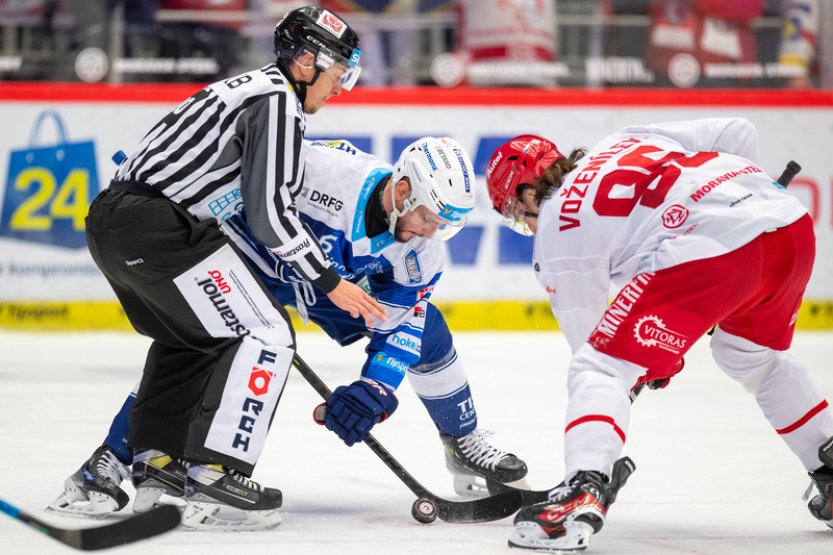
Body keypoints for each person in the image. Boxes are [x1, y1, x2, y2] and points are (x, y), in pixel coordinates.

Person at [48, 137, 529, 527]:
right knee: (211, 342)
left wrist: (373, 389)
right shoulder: (321, 172)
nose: (430, 232)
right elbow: (230, 169)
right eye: (428, 217)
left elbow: (401, 320)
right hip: (242, 253)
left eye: (444, 226)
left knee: (430, 331)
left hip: (323, 281)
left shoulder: (422, 250)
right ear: (403, 191)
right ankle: (109, 461)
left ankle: (462, 444)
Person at [54, 5, 388, 531]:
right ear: (306, 62)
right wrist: (331, 283)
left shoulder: (251, 89)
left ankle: (155, 466)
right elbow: (271, 216)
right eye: (338, 72)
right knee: (268, 332)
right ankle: (217, 473)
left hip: (114, 224)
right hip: (155, 226)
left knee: (195, 339)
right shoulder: (278, 101)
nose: (341, 87)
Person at [484, 119, 833, 551]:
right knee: (748, 354)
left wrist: (645, 366)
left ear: (529, 193)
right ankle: (828, 467)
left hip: (710, 250)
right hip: (788, 227)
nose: (529, 227)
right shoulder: (623, 139)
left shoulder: (556, 223)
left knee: (599, 367)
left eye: (519, 215)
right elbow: (739, 132)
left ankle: (580, 492)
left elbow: (594, 349)